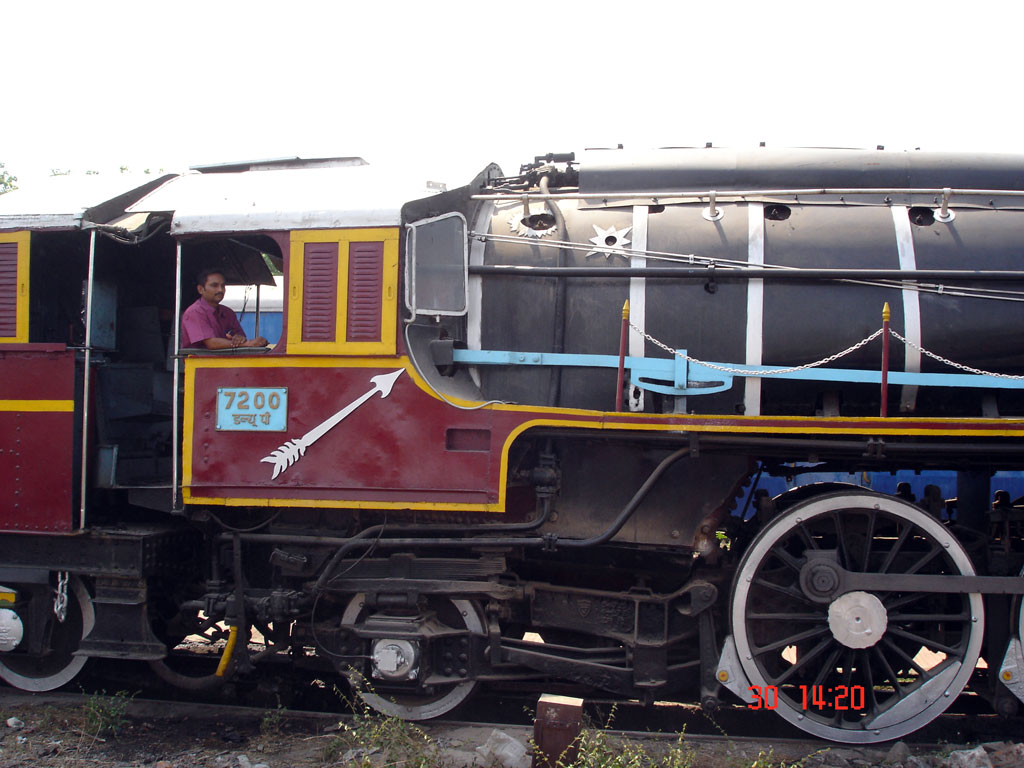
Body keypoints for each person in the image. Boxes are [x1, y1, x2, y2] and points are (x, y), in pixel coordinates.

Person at [181, 269, 268, 350]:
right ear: (200, 289)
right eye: (214, 285)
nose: (220, 290)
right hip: (200, 361)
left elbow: (240, 335)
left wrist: (239, 338)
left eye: (223, 286)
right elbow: (212, 343)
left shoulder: (228, 312)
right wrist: (248, 344)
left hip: (225, 360)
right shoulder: (195, 312)